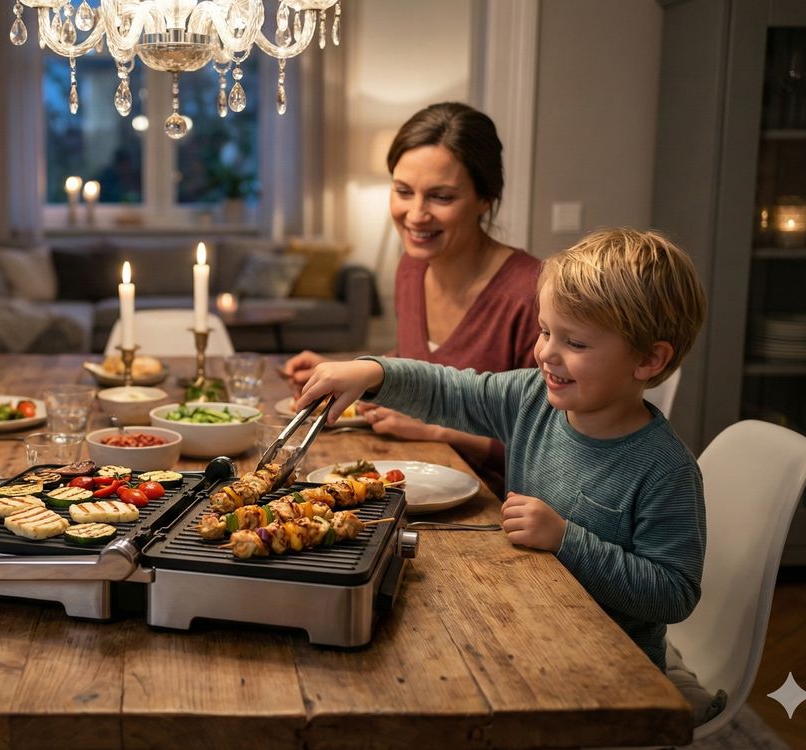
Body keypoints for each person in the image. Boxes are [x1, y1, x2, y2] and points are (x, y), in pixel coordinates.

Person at [297, 228, 708, 676]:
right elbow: (450, 389)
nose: (546, 353)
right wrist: (372, 371)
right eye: (546, 331)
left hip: (606, 666)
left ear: (649, 360)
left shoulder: (664, 469)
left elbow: (674, 593)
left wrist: (566, 539)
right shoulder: (530, 398)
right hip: (525, 624)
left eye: (575, 343)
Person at [283, 102, 539, 480]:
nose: (416, 214)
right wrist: (356, 375)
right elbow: (418, 360)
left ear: (485, 198)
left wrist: (435, 429)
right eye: (403, 191)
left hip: (498, 511)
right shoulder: (412, 268)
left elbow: (553, 442)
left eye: (442, 197)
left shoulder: (532, 293)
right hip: (412, 480)